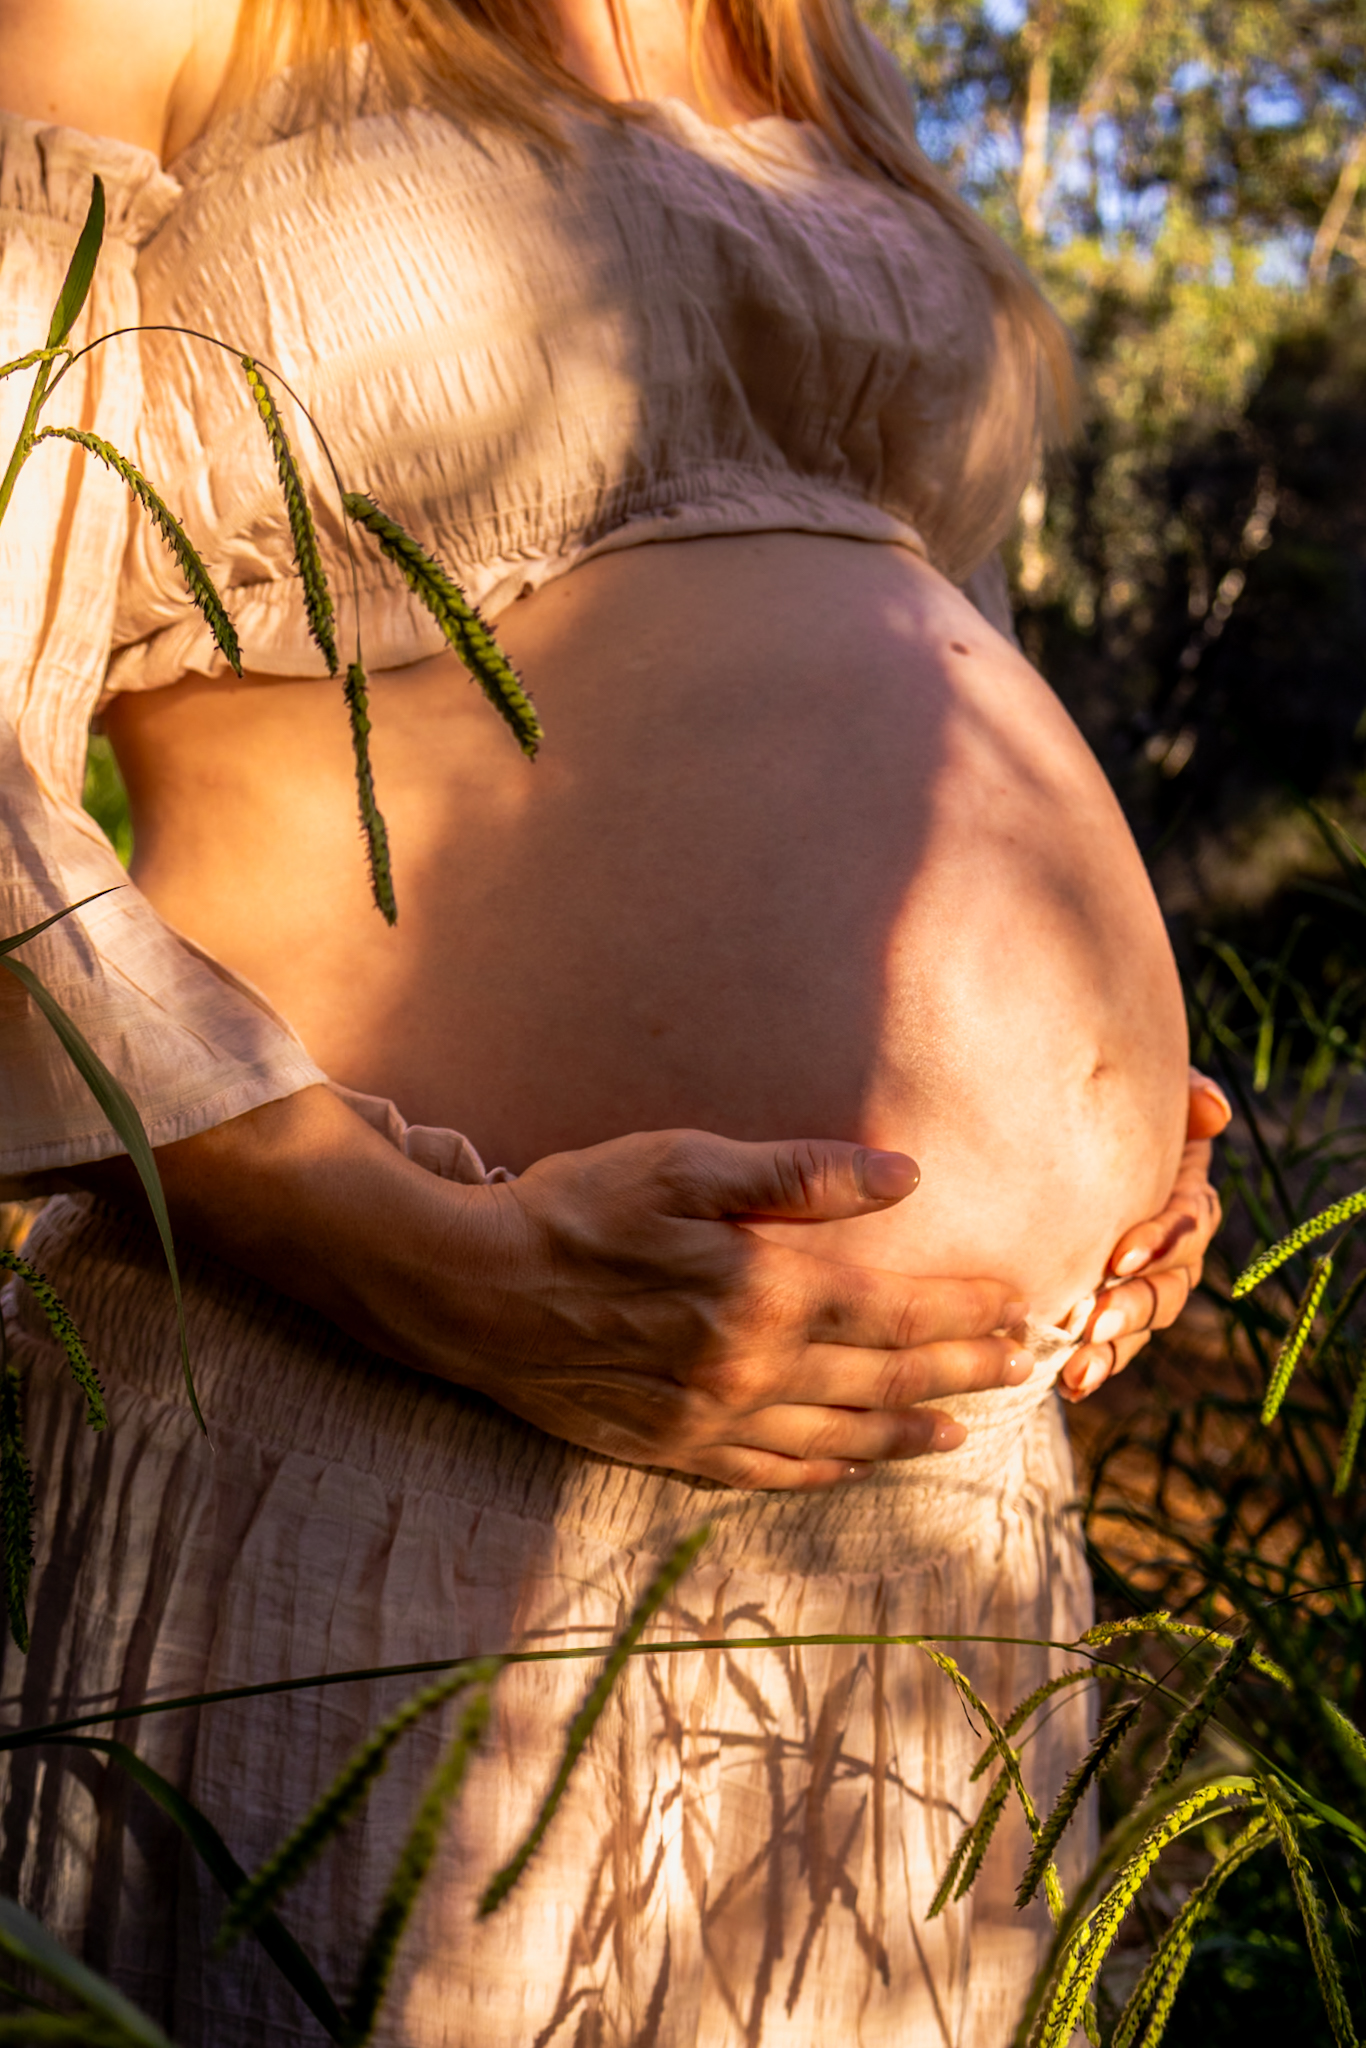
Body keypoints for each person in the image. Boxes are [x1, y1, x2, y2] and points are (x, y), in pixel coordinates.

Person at [0, 0, 1227, 2039]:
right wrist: (408, 1255)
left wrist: (1109, 1118)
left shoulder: (818, 55)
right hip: (393, 1414)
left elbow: (920, 659)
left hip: (939, 1511)